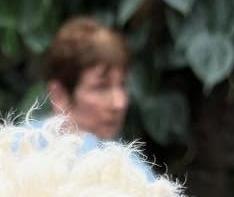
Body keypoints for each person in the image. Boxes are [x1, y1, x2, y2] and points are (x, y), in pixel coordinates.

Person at [36, 16, 153, 177]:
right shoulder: (14, 155)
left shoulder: (131, 168)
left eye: (122, 85)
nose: (119, 103)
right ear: (59, 95)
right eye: (101, 87)